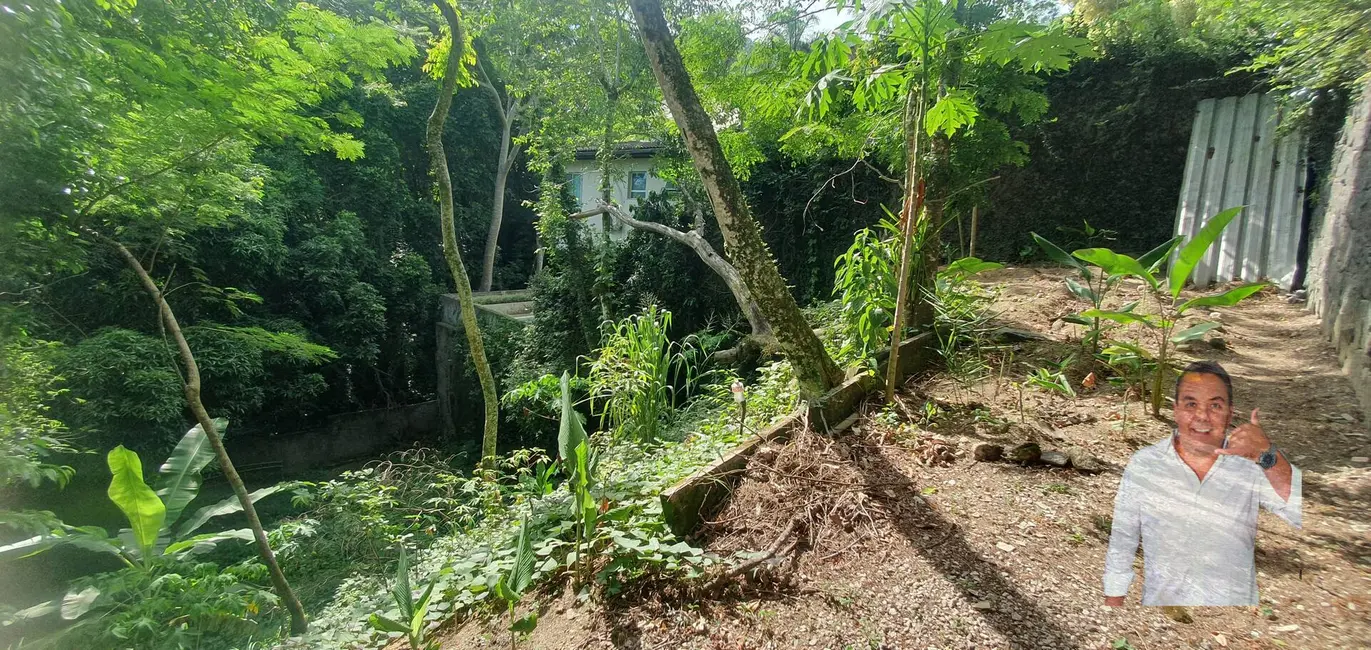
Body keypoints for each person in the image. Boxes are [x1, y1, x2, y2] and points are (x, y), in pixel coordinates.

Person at [1102, 360, 1301, 606]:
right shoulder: (1146, 463)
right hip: (1163, 610)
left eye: (1215, 405)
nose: (1202, 416)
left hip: (1235, 611)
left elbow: (1296, 512)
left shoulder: (1251, 464)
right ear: (1175, 409)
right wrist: (1114, 600)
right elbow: (1124, 537)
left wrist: (1268, 454)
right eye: (1190, 404)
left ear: (1230, 412)